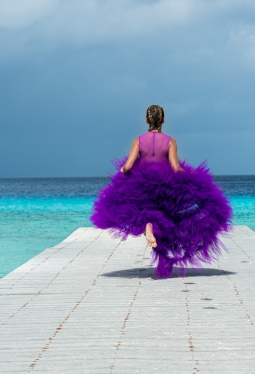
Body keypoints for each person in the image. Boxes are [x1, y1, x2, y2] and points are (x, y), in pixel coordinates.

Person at [91, 105, 233, 278]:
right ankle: (162, 263)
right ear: (163, 120)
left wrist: (121, 173)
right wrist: (192, 174)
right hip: (165, 187)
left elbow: (128, 166)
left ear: (146, 120)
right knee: (167, 223)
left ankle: (149, 230)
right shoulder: (169, 141)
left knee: (143, 216)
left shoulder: (138, 140)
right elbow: (175, 167)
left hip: (140, 186)